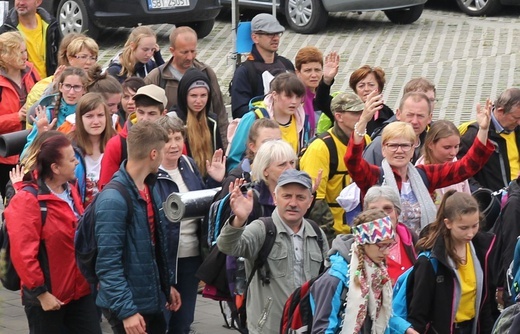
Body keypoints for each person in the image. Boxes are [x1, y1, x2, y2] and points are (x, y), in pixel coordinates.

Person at [345, 91, 494, 235]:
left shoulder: (424, 175)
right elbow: (352, 162)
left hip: (422, 251)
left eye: (405, 145)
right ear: (383, 149)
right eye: (392, 145)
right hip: (386, 253)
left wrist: (483, 129)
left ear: (412, 149)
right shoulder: (373, 176)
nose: (399, 150)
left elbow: (466, 167)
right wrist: (363, 121)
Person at [4, 134, 101, 334]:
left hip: (80, 292)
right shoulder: (28, 200)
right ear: (55, 168)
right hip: (48, 299)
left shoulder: (70, 189)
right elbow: (23, 254)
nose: (76, 161)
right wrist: (41, 294)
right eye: (71, 158)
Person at [94, 121, 181, 334]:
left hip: (148, 300)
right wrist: (127, 312)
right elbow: (108, 264)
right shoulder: (113, 200)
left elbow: (151, 247)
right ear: (153, 154)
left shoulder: (149, 187)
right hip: (129, 308)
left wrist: (165, 285)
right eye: (162, 150)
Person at [217, 169, 329, 334]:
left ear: (310, 201)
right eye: (287, 196)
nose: (293, 203)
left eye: (300, 197)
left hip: (307, 327)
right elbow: (227, 246)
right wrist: (239, 220)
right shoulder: (262, 229)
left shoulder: (317, 234)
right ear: (276, 198)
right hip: (268, 328)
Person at [155, 115, 225, 334]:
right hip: (165, 259)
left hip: (191, 256)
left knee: (184, 321)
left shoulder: (188, 163)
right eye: (167, 140)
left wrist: (215, 181)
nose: (174, 145)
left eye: (178, 138)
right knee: (161, 320)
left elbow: (202, 203)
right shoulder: (152, 173)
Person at [309, 209, 417, 334]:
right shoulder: (334, 279)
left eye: (389, 245)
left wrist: (407, 330)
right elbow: (322, 330)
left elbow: (383, 315)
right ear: (363, 242)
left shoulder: (376, 272)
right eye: (381, 245)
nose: (387, 252)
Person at [406, 191, 496, 334]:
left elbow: (486, 302)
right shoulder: (430, 261)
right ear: (448, 223)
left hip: (474, 327)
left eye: (475, 226)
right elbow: (419, 312)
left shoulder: (482, 250)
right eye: (463, 228)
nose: (470, 234)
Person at [144, 26, 229, 149]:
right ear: (172, 50)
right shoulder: (157, 78)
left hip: (204, 147)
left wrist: (224, 147)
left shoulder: (206, 73)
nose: (190, 57)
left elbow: (220, 112)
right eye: (184, 52)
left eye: (193, 51)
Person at [300, 92, 368, 237]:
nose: (362, 116)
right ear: (339, 116)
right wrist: (329, 238)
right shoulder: (320, 148)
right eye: (356, 113)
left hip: (363, 231)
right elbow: (315, 200)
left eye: (363, 112)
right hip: (335, 234)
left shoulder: (367, 140)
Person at [226, 72, 308, 172]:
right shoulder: (253, 117)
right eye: (288, 96)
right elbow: (234, 159)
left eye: (298, 97)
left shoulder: (302, 121)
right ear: (274, 95)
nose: (294, 102)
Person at [98, 84, 167, 189]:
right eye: (141, 112)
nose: (144, 119)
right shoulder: (117, 144)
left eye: (151, 114)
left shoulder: (173, 141)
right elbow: (106, 187)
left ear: (163, 114)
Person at [24, 34, 99, 128]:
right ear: (70, 58)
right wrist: (54, 86)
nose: (89, 62)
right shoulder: (48, 84)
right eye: (83, 57)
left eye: (93, 58)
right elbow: (32, 117)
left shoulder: (99, 83)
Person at [230, 13, 295, 119]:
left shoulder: (286, 65)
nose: (275, 38)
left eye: (277, 33)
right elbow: (239, 112)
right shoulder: (244, 72)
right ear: (255, 38)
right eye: (270, 34)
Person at [0, 31, 39, 198]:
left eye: (25, 51)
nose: (26, 56)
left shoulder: (30, 70)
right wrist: (16, 117)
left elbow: (40, 95)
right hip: (4, 155)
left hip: (30, 149)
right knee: (10, 199)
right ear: (5, 56)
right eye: (20, 52)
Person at [458, 87, 520, 192]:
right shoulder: (475, 134)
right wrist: (483, 194)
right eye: (516, 118)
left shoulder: (516, 128)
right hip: (497, 201)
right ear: (500, 111)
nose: (519, 122)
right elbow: (462, 172)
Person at [23, 66, 88, 153]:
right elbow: (26, 154)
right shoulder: (48, 115)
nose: (71, 92)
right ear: (60, 87)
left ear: (84, 89)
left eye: (77, 87)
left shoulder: (89, 114)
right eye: (67, 86)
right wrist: (42, 137)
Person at [67, 93, 116, 206]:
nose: (96, 121)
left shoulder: (118, 144)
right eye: (89, 116)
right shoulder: (69, 145)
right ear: (80, 119)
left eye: (100, 115)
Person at [363, 186, 417, 285]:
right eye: (373, 210)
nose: (382, 214)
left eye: (387, 209)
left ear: (397, 213)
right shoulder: (359, 247)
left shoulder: (413, 240)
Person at [176, 67, 223, 178]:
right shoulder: (176, 122)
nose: (199, 101)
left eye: (203, 95)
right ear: (184, 96)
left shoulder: (212, 122)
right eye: (193, 96)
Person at [363, 91, 433, 166]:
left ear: (429, 118)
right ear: (398, 114)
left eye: (420, 116)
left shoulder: (431, 145)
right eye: (410, 115)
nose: (414, 121)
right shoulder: (380, 144)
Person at [415, 120, 471, 205]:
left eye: (456, 146)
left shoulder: (456, 162)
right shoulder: (421, 173)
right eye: (447, 147)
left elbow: (467, 197)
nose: (453, 153)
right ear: (430, 144)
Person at [0, 0, 60, 78]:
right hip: (22, 87)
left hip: (49, 84)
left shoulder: (51, 26)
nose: (21, 3)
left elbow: (59, 57)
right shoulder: (5, 32)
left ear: (38, 2)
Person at [294, 46, 339, 137]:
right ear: (297, 72)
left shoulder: (325, 99)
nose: (314, 75)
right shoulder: (295, 100)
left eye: (317, 70)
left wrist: (327, 80)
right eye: (308, 71)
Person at [348, 65, 394, 136]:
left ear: (379, 89)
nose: (366, 89)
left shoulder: (386, 112)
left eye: (371, 85)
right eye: (361, 86)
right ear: (355, 90)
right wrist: (327, 81)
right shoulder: (348, 111)